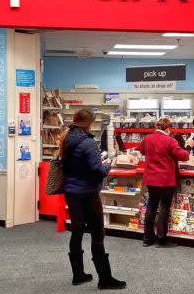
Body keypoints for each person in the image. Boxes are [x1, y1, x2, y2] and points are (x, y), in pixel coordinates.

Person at [62, 108, 126, 290]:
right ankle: (105, 278)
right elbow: (97, 170)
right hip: (88, 194)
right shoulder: (87, 143)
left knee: (77, 231)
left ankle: (78, 274)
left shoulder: (67, 138)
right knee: (97, 234)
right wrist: (107, 165)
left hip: (72, 193)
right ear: (89, 124)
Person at [138, 118, 190, 248]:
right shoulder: (170, 140)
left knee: (151, 206)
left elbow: (142, 150)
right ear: (168, 129)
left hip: (151, 179)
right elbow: (183, 156)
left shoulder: (147, 138)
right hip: (166, 179)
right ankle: (161, 239)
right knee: (164, 207)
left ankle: (147, 238)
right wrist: (189, 147)